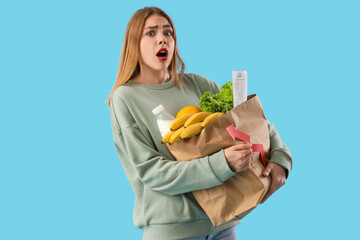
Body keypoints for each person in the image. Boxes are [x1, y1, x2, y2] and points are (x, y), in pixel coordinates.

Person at [107, 6, 292, 240]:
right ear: (133, 43)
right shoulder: (126, 98)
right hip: (173, 231)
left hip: (224, 223)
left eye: (168, 32)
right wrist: (222, 163)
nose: (162, 39)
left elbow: (254, 121)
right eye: (151, 33)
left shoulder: (198, 85)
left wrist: (281, 160)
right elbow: (152, 172)